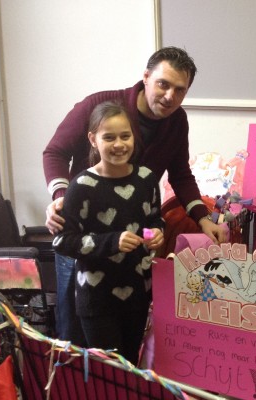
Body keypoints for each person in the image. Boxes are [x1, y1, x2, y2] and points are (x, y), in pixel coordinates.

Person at [43, 47, 226, 344]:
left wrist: (203, 218)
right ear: (146, 77)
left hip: (129, 256)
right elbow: (55, 152)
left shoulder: (176, 121)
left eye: (180, 90)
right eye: (163, 84)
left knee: (127, 337)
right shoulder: (99, 105)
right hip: (85, 242)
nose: (169, 96)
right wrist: (62, 198)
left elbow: (180, 174)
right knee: (75, 333)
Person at [52, 101, 164, 365]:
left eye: (125, 136)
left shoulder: (146, 179)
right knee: (109, 372)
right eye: (109, 137)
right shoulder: (81, 186)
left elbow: (154, 218)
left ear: (134, 136)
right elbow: (63, 241)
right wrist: (112, 242)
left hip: (138, 294)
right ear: (93, 140)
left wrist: (158, 231)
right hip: (97, 300)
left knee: (130, 365)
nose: (119, 144)